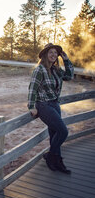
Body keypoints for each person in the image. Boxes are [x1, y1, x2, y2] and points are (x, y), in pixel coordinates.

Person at [28, 43, 74, 173]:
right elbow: (33, 88)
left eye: (56, 53)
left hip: (55, 104)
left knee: (55, 133)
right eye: (50, 52)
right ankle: (50, 156)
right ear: (44, 55)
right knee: (63, 131)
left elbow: (69, 76)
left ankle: (57, 161)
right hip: (44, 105)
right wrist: (31, 106)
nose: (54, 55)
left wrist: (66, 59)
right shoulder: (39, 70)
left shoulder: (56, 70)